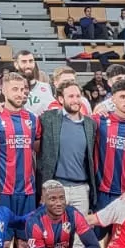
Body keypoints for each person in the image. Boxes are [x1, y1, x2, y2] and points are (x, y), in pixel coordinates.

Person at [0, 70, 38, 248]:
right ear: (3, 90)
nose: (20, 93)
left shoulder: (33, 120)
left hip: (27, 191)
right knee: (2, 245)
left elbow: (37, 150)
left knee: (25, 243)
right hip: (2, 192)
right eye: (15, 89)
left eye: (23, 89)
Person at [37, 79, 97, 215]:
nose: (75, 100)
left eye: (78, 96)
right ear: (60, 99)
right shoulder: (48, 119)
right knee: (53, 233)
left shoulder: (90, 124)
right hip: (55, 187)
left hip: (81, 189)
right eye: (71, 96)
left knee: (79, 234)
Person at [92, 80, 125, 210]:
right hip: (101, 190)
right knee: (100, 230)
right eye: (122, 97)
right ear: (112, 99)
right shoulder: (99, 120)